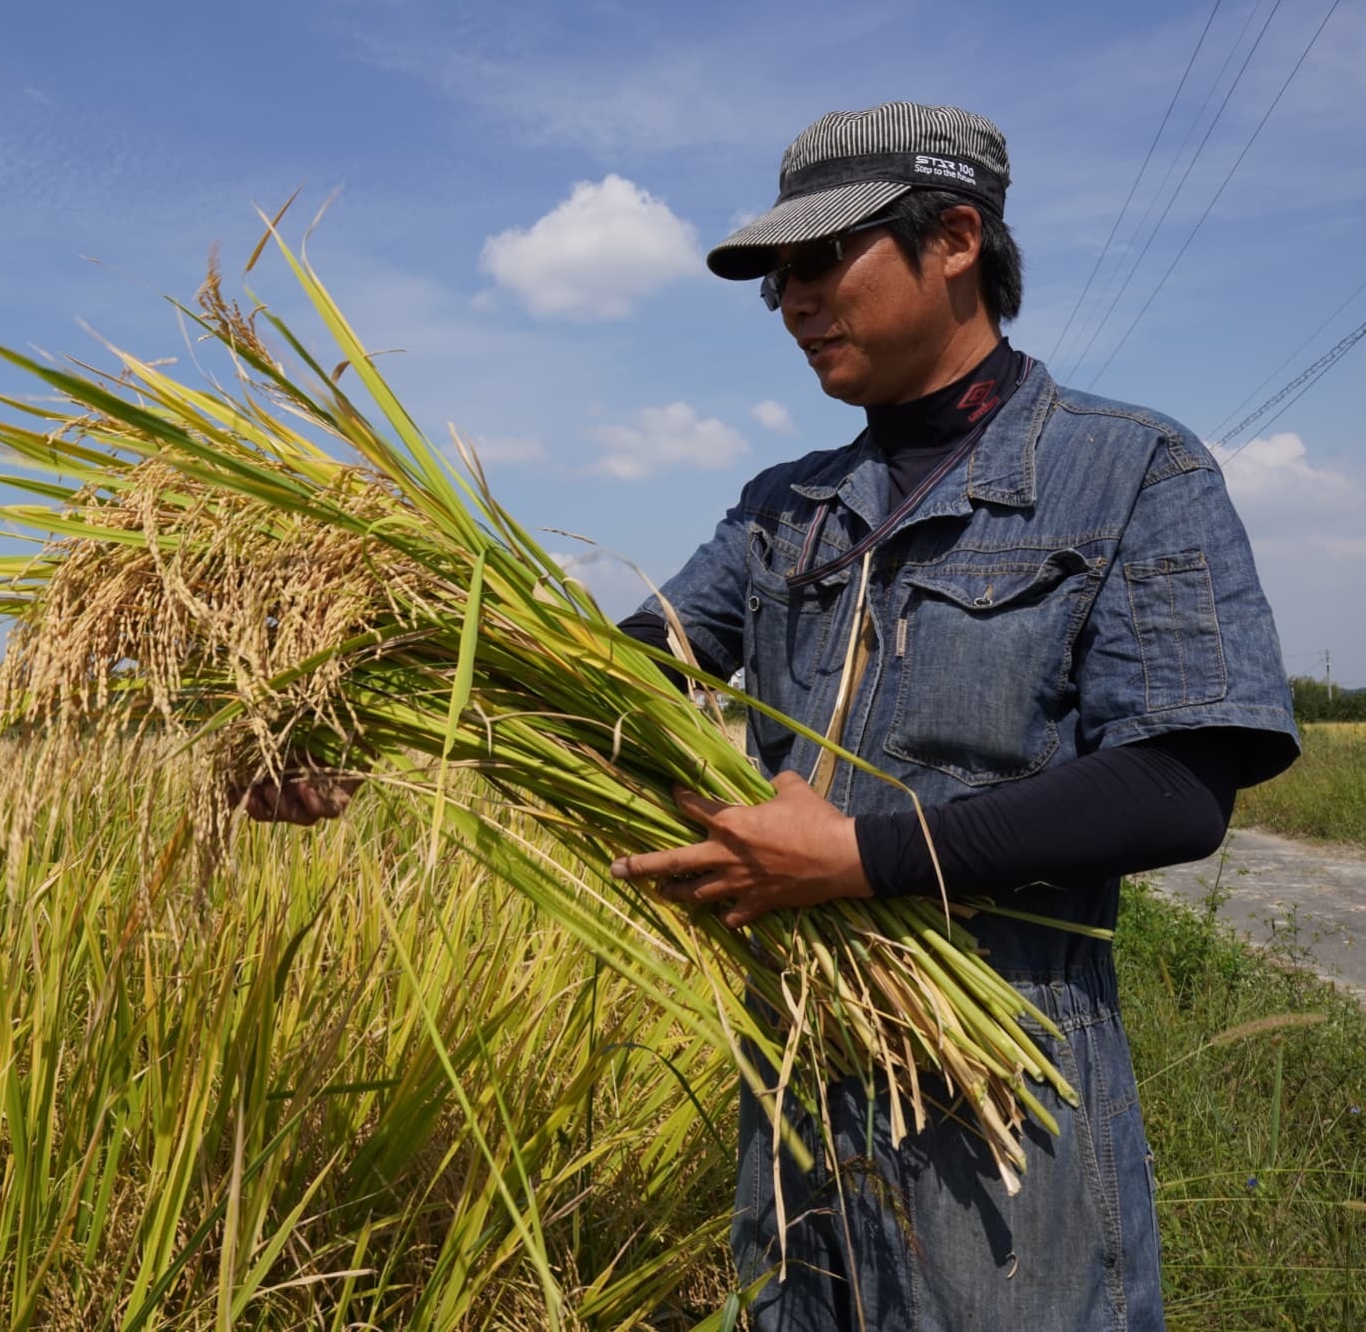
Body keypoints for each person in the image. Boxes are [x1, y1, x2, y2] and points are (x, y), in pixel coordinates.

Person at [252, 102, 1300, 1330]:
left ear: (954, 238)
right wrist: (371, 724)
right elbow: (607, 678)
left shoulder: (1130, 472)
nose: (791, 302)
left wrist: (863, 861)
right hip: (800, 1099)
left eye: (818, 262)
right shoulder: (782, 511)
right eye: (774, 281)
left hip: (1005, 1123)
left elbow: (1178, 783)